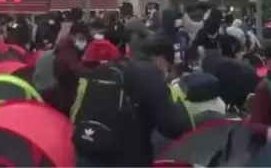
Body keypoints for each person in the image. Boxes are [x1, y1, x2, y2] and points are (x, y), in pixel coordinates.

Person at [73, 30, 191, 168]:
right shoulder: (149, 76)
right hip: (124, 159)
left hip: (87, 154)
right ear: (161, 59)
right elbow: (172, 128)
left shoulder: (105, 71)